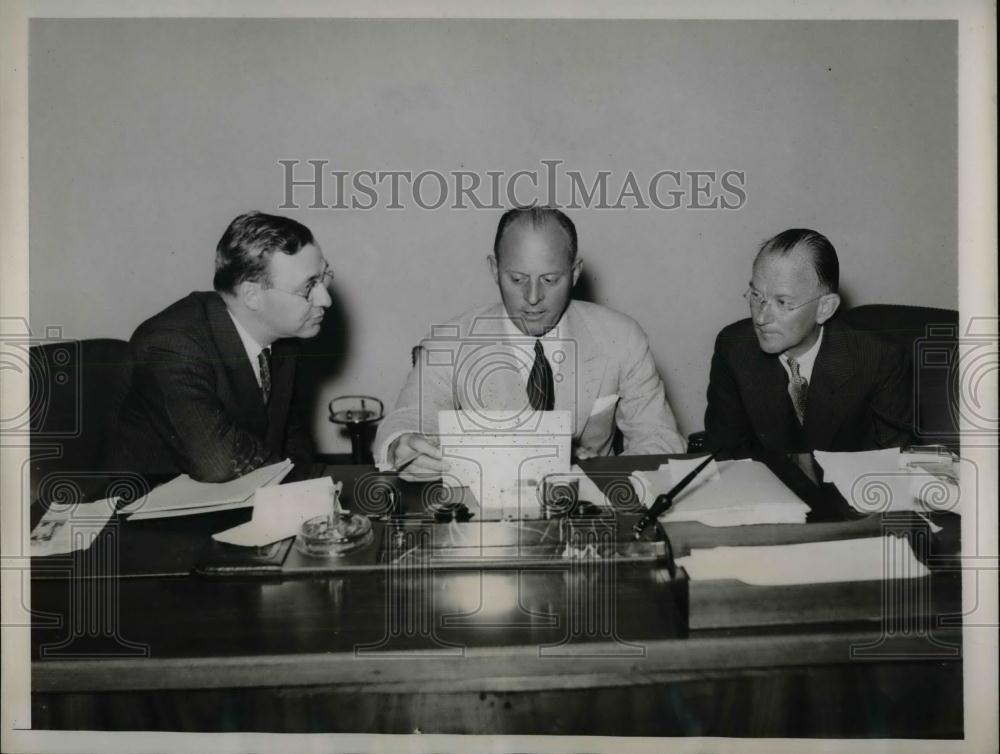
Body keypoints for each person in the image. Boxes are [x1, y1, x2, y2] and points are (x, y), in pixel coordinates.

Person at [374, 206, 685, 481]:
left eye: (550, 280)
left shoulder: (622, 337)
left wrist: (596, 476)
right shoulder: (447, 342)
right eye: (517, 279)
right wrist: (403, 443)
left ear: (574, 273)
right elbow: (406, 418)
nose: (533, 298)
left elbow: (661, 439)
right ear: (494, 270)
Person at [109, 211, 332, 483]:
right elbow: (219, 462)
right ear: (252, 295)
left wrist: (307, 496)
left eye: (324, 278)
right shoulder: (168, 344)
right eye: (309, 286)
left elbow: (292, 437)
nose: (325, 299)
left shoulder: (284, 336)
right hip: (147, 510)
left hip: (240, 499)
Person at [704, 228, 912, 459]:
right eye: (756, 296)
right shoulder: (734, 347)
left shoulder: (880, 359)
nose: (761, 318)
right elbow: (726, 455)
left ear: (825, 308)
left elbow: (893, 464)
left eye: (782, 302)